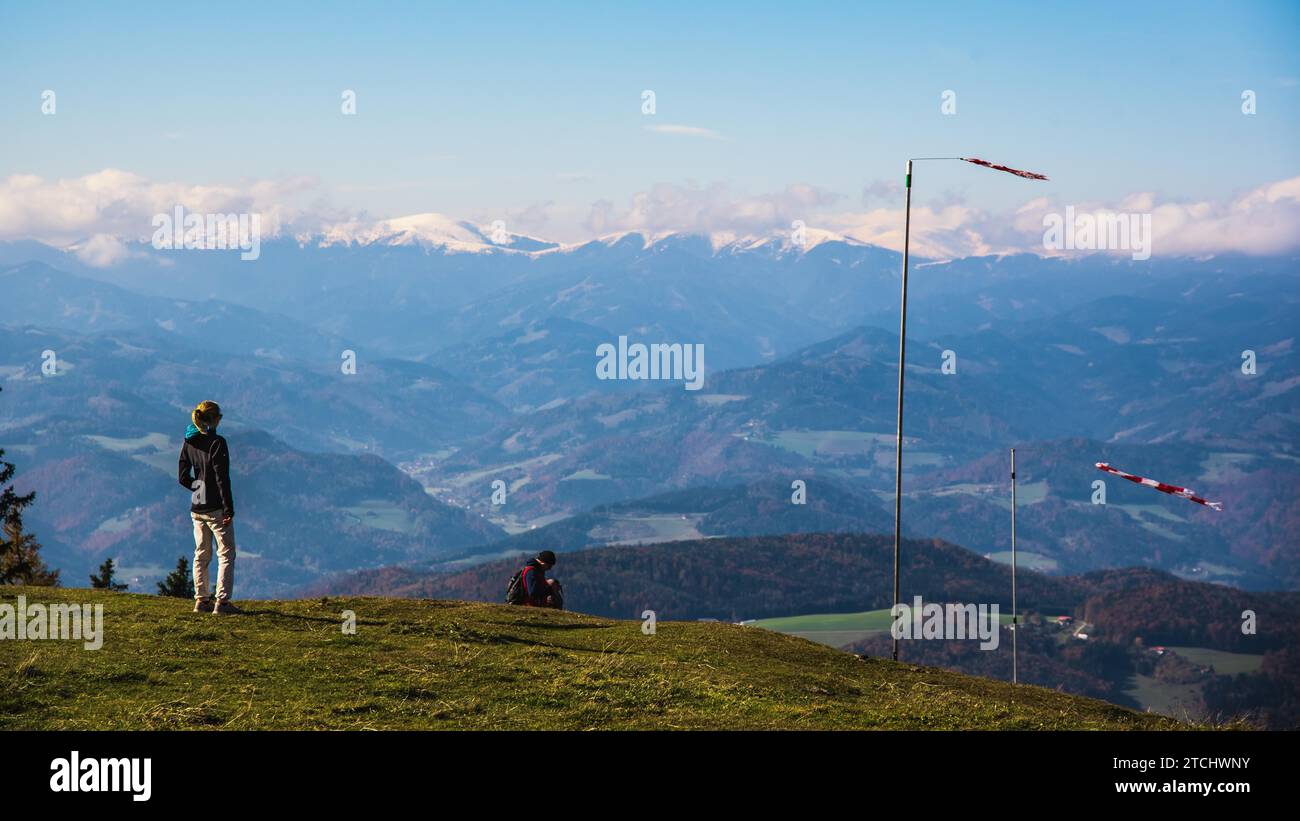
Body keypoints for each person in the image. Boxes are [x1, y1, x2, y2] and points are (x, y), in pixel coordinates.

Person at [177, 401, 238, 614]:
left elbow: (183, 477)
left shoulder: (189, 442)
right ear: (213, 420)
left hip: (197, 507)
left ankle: (201, 601)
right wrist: (228, 509)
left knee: (201, 554)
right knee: (226, 553)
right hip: (215, 508)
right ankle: (222, 603)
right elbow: (222, 479)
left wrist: (199, 487)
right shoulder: (217, 443)